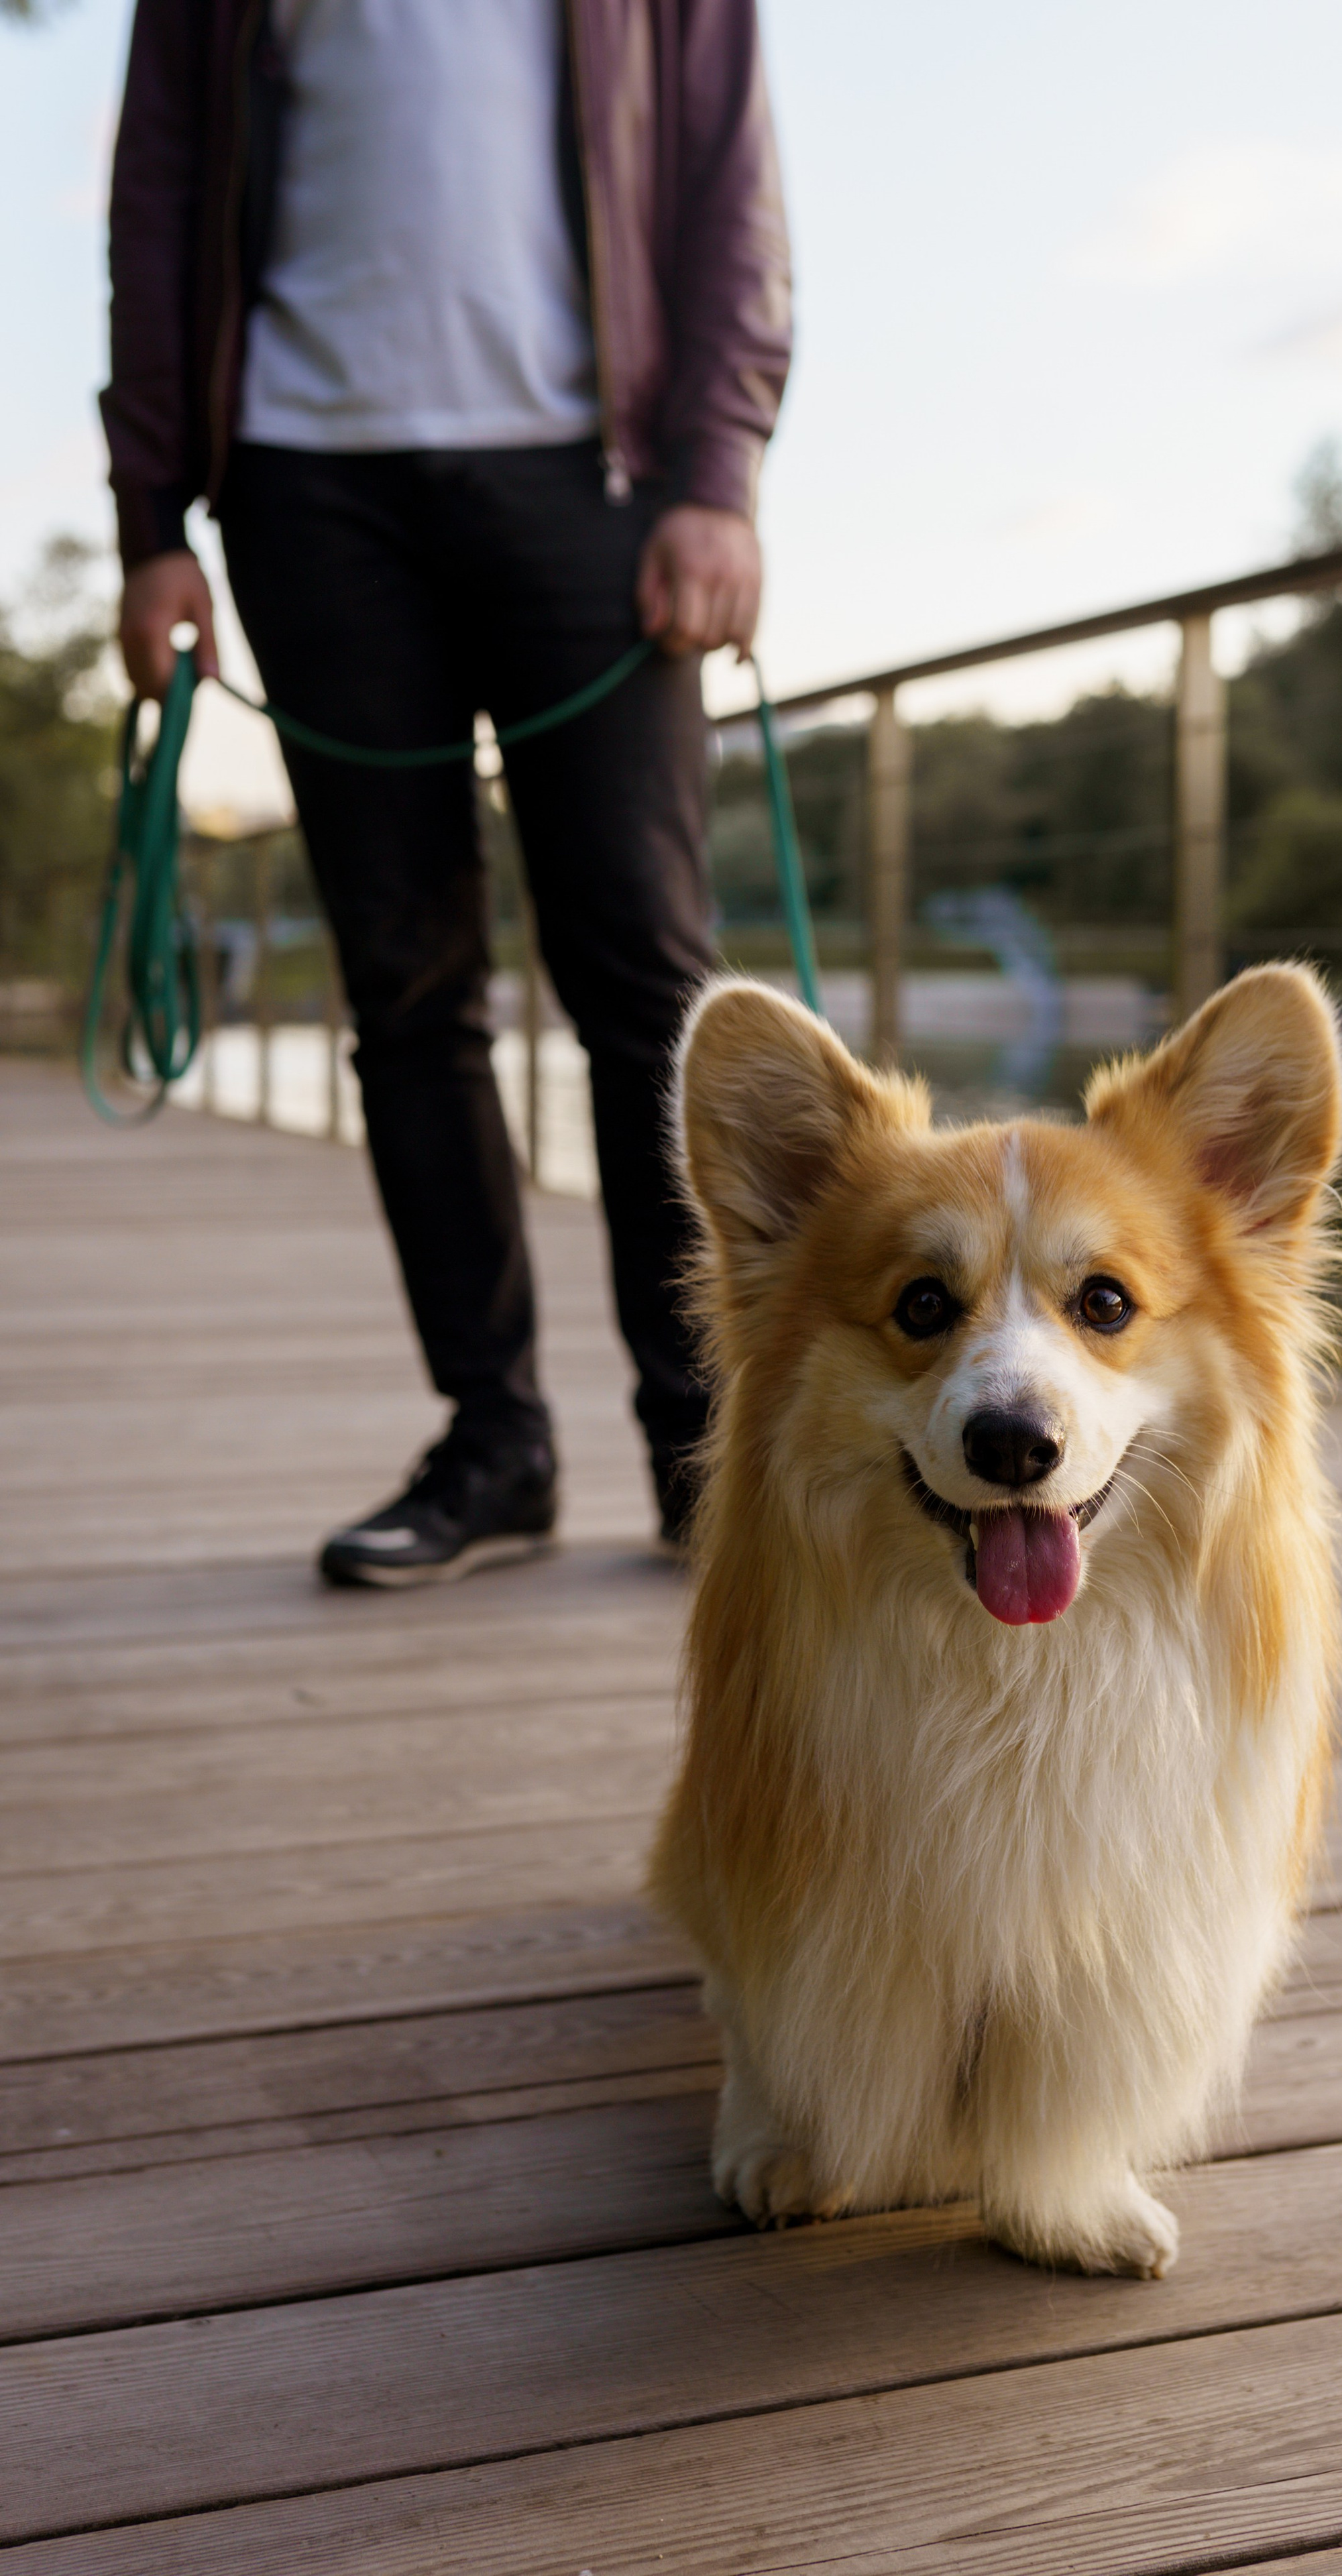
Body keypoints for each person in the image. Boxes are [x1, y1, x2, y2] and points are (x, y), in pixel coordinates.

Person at [101, 0, 792, 1584]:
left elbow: (726, 184)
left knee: (653, 988)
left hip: (594, 480)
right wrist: (154, 520)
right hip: (306, 486)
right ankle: (495, 1445)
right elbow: (159, 194)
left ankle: (712, 1450)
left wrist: (719, 476)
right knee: (405, 994)